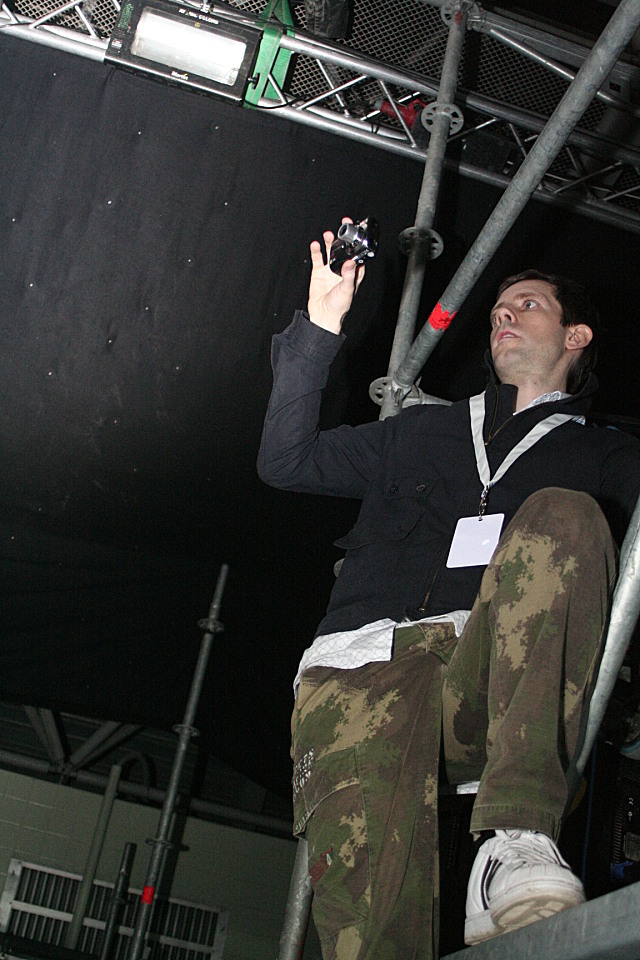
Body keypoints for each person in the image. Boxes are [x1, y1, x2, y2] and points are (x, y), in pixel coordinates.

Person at [257, 221, 640, 960]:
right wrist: (321, 326)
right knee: (374, 939)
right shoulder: (420, 432)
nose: (504, 315)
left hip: (485, 683)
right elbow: (286, 460)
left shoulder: (604, 454)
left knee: (566, 515)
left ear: (576, 336)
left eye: (527, 305)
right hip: (360, 672)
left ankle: (515, 839)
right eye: (497, 309)